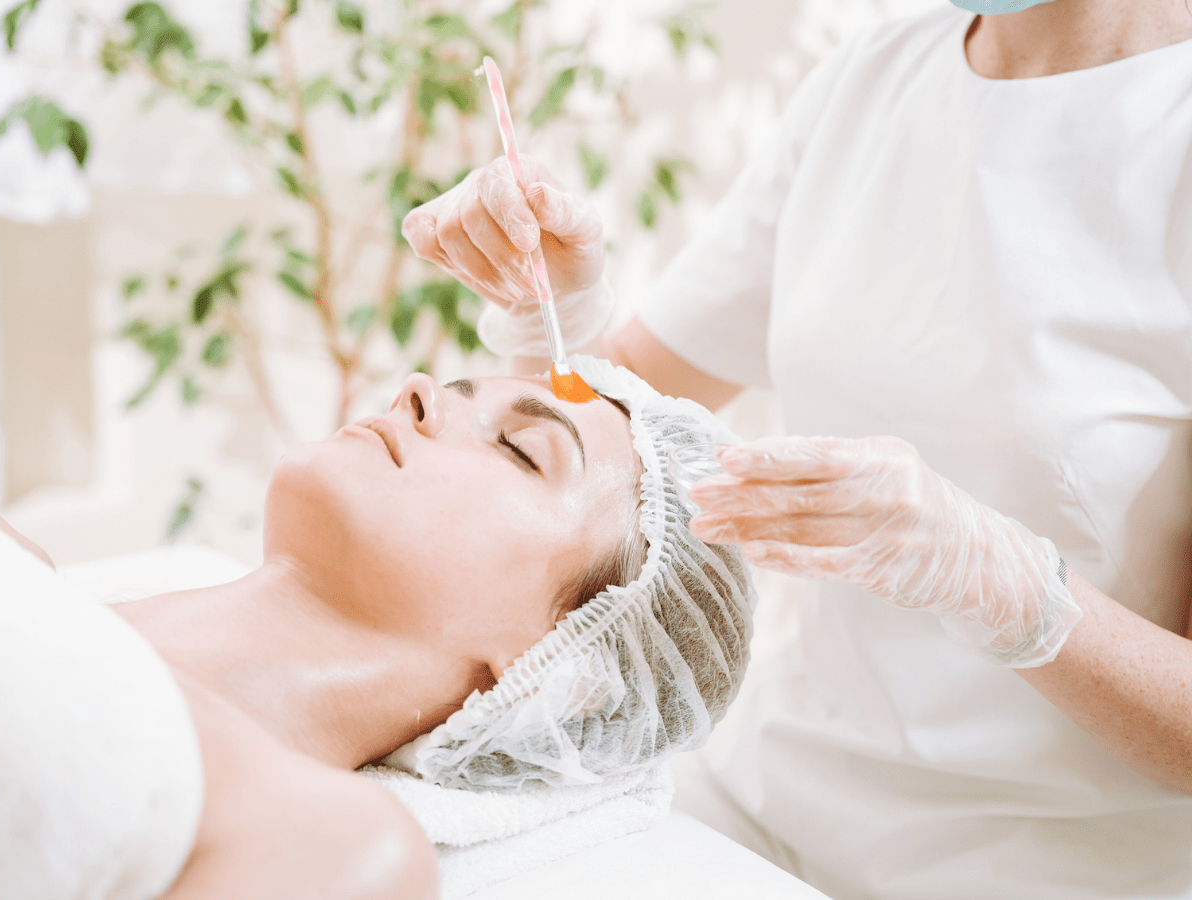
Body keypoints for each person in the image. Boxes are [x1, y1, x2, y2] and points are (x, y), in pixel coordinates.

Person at [399, 0, 1192, 897]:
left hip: (1052, 869)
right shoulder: (878, 75)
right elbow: (620, 418)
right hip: (759, 803)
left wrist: (1010, 588)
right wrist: (554, 307)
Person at [0, 359, 756, 899]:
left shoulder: (334, 845)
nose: (418, 389)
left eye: (521, 450)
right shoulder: (24, 567)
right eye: (455, 388)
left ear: (565, 671)